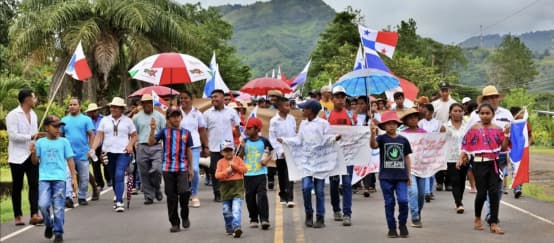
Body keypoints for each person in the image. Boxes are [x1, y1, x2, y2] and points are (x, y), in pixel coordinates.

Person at [277, 99, 338, 229]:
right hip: (307, 161)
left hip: (320, 162)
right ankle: (309, 213)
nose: (302, 110)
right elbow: (299, 140)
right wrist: (285, 140)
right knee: (305, 188)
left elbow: (328, 138)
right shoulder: (304, 124)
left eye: (304, 108)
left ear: (311, 111)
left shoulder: (323, 124)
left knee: (320, 191)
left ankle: (320, 217)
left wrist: (334, 138)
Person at [458, 103, 510, 235]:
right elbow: (465, 146)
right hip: (478, 164)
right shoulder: (473, 129)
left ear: (493, 115)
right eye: (482, 113)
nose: (485, 116)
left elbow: (503, 147)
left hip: (493, 163)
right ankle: (477, 218)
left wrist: (507, 134)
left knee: (494, 192)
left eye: (488, 113)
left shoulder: (498, 129)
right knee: (481, 193)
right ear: (478, 114)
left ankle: (493, 223)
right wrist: (461, 158)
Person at [467, 85, 513, 220]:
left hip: (500, 156)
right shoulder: (475, 116)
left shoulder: (507, 114)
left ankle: (490, 214)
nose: (493, 99)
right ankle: (485, 215)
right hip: (480, 158)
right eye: (489, 97)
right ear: (484, 100)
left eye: (495, 97)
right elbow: (467, 136)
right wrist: (464, 154)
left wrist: (508, 133)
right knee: (483, 189)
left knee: (496, 187)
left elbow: (513, 135)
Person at [31, 115, 77, 243]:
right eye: (55, 126)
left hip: (59, 179)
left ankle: (58, 233)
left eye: (59, 126)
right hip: (44, 179)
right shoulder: (40, 142)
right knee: (43, 205)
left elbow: (70, 159)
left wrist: (73, 178)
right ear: (46, 127)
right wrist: (33, 152)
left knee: (58, 207)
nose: (58, 129)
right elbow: (35, 162)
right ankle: (49, 224)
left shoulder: (64, 142)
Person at [148, 106, 193, 232]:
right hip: (168, 168)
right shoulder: (164, 132)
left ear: (181, 117)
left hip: (182, 168)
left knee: (184, 193)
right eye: (173, 116)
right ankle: (174, 222)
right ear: (168, 119)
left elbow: (189, 150)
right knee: (171, 197)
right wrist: (152, 130)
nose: (176, 118)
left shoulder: (186, 133)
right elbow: (151, 142)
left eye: (178, 115)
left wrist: (191, 168)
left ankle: (185, 215)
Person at [90, 97, 138, 212]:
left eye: (116, 107)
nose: (113, 109)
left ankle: (119, 201)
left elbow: (135, 135)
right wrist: (93, 148)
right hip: (108, 152)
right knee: (113, 175)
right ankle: (118, 194)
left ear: (122, 109)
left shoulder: (128, 121)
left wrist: (130, 145)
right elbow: (99, 136)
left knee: (119, 174)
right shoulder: (105, 120)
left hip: (123, 152)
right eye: (112, 107)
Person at [370, 111, 412, 238]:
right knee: (389, 203)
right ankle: (391, 227)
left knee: (403, 201)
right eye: (388, 124)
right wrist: (372, 134)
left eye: (394, 123)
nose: (391, 126)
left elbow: (407, 158)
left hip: (401, 177)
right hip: (386, 177)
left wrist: (409, 175)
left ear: (397, 125)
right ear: (384, 126)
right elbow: (373, 146)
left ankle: (402, 223)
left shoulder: (403, 140)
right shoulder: (381, 138)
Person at [6, 88, 43, 226]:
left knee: (34, 184)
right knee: (17, 186)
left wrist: (36, 142)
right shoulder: (13, 115)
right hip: (17, 157)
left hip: (31, 155)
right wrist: (31, 136)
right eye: (33, 98)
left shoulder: (33, 115)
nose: (35, 100)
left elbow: (34, 134)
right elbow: (13, 136)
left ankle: (34, 214)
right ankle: (18, 215)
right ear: (27, 99)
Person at [322, 86, 355, 226]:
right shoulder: (326, 116)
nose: (340, 100)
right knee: (334, 183)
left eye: (343, 97)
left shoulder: (351, 116)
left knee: (347, 184)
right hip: (333, 156)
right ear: (332, 98)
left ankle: (347, 213)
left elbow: (357, 134)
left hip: (348, 156)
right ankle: (336, 209)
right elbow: (323, 136)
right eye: (338, 97)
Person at [203, 89, 241, 202]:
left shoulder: (231, 112)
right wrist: (205, 146)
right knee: (216, 170)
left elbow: (238, 127)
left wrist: (237, 139)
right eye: (212, 97)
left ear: (223, 98)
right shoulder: (207, 114)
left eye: (216, 96)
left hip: (228, 147)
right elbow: (204, 131)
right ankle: (217, 193)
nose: (214, 99)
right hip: (214, 147)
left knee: (230, 169)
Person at [61, 98, 96, 206]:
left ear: (79, 106)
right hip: (68, 154)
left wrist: (90, 150)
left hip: (82, 153)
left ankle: (82, 196)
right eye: (70, 104)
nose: (72, 106)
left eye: (74, 104)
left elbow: (91, 135)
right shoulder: (64, 120)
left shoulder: (86, 120)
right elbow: (61, 136)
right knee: (68, 176)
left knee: (84, 176)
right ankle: (69, 197)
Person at [240, 117, 273, 230]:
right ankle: (253, 219)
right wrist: (242, 148)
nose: (247, 130)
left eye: (249, 128)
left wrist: (266, 160)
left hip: (261, 173)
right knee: (250, 197)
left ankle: (264, 219)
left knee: (262, 195)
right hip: (248, 174)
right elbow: (239, 157)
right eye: (246, 128)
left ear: (257, 129)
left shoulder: (264, 141)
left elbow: (269, 153)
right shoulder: (245, 141)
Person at [133, 94, 166, 205]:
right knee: (144, 172)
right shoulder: (136, 117)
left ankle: (157, 188)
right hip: (142, 146)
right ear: (141, 104)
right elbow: (133, 134)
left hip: (156, 146)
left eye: (149, 102)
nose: (147, 104)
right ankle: (149, 196)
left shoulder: (160, 116)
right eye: (144, 102)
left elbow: (164, 132)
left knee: (156, 169)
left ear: (152, 103)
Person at [179, 90, 208, 208]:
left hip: (194, 145)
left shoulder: (197, 113)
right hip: (179, 146)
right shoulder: (175, 112)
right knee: (182, 171)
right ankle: (183, 193)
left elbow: (202, 130)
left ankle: (194, 194)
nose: (183, 100)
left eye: (186, 98)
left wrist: (206, 145)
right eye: (181, 98)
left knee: (195, 170)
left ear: (191, 99)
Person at [399, 108, 426, 228]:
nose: (413, 119)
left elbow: (431, 148)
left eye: (415, 117)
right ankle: (415, 217)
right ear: (405, 120)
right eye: (410, 117)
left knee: (421, 195)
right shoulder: (403, 134)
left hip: (422, 167)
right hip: (409, 167)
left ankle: (417, 212)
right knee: (413, 192)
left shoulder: (424, 133)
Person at [215, 139, 248, 238]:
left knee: (236, 209)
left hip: (237, 188)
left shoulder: (238, 159)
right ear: (222, 152)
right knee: (226, 211)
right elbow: (217, 175)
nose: (229, 153)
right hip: (226, 190)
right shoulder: (220, 162)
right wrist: (227, 172)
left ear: (234, 150)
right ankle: (229, 227)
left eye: (230, 150)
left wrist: (235, 166)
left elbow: (245, 170)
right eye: (226, 151)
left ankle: (237, 227)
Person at [269, 97, 296, 207]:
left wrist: (292, 147)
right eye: (286, 105)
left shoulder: (292, 119)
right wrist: (280, 150)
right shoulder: (274, 121)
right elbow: (272, 137)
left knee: (290, 173)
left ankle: (290, 197)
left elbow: (294, 135)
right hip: (280, 151)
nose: (288, 108)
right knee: (281, 174)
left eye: (289, 105)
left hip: (290, 150)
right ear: (279, 107)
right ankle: (283, 195)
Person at [419, 103, 449, 194]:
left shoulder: (439, 124)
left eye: (426, 112)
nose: (424, 113)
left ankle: (430, 190)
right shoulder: (420, 123)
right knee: (426, 171)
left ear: (431, 112)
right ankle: (427, 191)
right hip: (424, 150)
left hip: (435, 150)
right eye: (423, 112)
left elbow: (442, 137)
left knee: (432, 172)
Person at [444, 103, 468, 214]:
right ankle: (459, 203)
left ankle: (459, 200)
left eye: (460, 111)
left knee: (462, 180)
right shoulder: (445, 126)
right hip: (451, 157)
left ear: (463, 113)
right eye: (455, 111)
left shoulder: (467, 126)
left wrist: (468, 155)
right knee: (455, 180)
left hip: (464, 157)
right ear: (450, 113)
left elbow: (470, 142)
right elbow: (439, 141)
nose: (457, 113)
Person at [86, 103, 111, 191]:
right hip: (93, 145)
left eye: (94, 111)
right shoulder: (88, 121)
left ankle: (109, 179)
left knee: (105, 162)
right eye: (90, 112)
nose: (92, 113)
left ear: (97, 111)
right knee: (95, 165)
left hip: (103, 144)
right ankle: (99, 183)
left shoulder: (104, 119)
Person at [509, 106, 531, 198]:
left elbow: (530, 134)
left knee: (521, 168)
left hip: (522, 149)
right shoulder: (510, 124)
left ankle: (518, 188)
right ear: (515, 115)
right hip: (513, 150)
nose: (522, 115)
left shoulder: (525, 124)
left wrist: (528, 144)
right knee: (516, 168)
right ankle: (516, 187)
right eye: (520, 113)